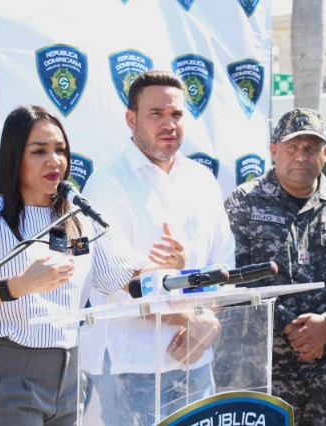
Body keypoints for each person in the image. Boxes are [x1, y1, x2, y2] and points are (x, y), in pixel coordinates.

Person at [0, 105, 147, 426]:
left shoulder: (79, 217)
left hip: (69, 382)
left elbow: (127, 277)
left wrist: (170, 271)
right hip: (5, 382)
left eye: (60, 150)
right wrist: (20, 285)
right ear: (15, 158)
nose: (54, 160)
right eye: (39, 151)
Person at [81, 70, 235, 424]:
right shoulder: (107, 184)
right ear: (131, 120)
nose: (169, 124)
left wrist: (209, 318)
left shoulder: (202, 180)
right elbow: (119, 282)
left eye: (176, 115)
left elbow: (223, 266)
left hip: (195, 361)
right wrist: (197, 318)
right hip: (129, 365)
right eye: (156, 114)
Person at [224, 107, 326, 424]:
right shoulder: (244, 202)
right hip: (264, 368)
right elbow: (233, 274)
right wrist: (291, 326)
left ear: (325, 153)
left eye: (311, 148)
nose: (301, 156)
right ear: (274, 151)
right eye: (291, 147)